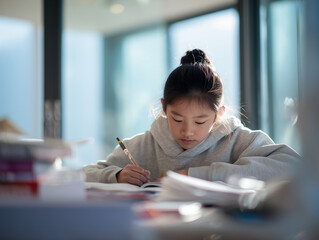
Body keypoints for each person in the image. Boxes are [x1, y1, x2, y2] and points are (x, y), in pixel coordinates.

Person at [83, 49, 300, 186]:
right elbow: (85, 173)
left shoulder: (238, 140)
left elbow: (292, 165)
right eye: (177, 119)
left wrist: (198, 175)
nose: (187, 131)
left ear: (219, 114)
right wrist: (117, 176)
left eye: (199, 121)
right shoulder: (143, 145)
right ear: (164, 108)